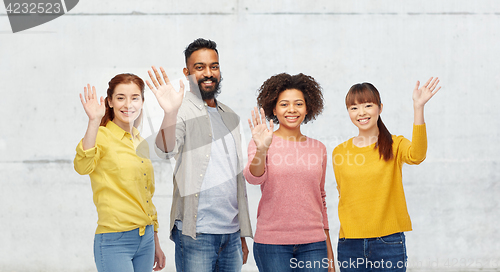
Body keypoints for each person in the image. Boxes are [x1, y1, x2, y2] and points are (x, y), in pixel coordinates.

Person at [147, 38, 252, 272]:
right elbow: (165, 150)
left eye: (214, 66)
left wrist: (242, 234)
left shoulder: (230, 116)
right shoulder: (181, 111)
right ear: (187, 72)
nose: (208, 73)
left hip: (232, 235)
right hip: (196, 234)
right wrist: (170, 113)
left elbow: (236, 178)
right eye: (200, 67)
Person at [332, 78, 441, 271]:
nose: (362, 113)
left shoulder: (394, 144)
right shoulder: (340, 152)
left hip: (388, 242)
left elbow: (417, 155)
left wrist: (418, 108)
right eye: (354, 108)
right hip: (350, 243)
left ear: (380, 108)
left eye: (368, 105)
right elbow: (345, 195)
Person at [73, 73, 166, 272]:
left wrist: (155, 240)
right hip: (115, 240)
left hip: (146, 239)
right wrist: (93, 122)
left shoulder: (140, 141)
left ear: (142, 102)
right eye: (120, 97)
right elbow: (82, 166)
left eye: (134, 98)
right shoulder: (101, 135)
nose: (128, 104)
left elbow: (147, 196)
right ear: (110, 102)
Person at [243, 73, 335, 272]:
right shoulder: (261, 141)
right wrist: (262, 149)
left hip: (314, 243)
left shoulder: (318, 148)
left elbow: (321, 197)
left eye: (298, 104)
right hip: (272, 243)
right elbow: (253, 178)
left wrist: (328, 250)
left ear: (307, 107)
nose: (291, 110)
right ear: (273, 109)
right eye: (284, 104)